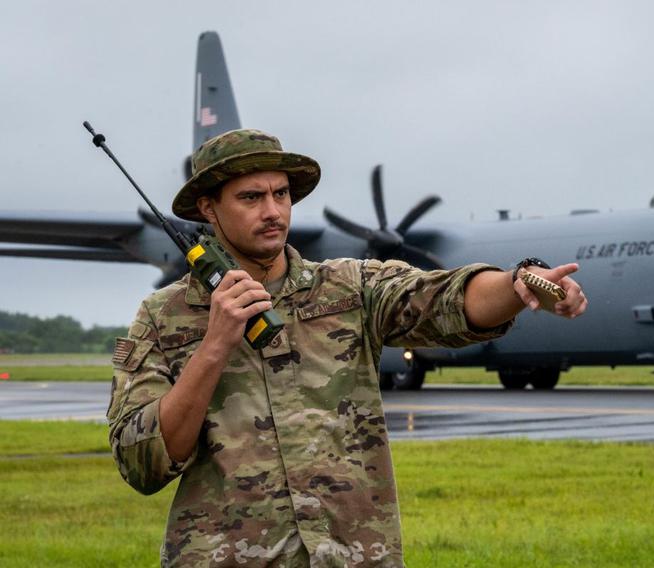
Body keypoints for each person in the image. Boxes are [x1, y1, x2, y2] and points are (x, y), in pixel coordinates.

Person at [108, 128, 587, 567]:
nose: (273, 211)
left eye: (281, 194)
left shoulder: (350, 288)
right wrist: (213, 347)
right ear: (209, 209)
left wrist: (520, 283)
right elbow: (141, 463)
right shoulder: (161, 317)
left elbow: (445, 299)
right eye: (251, 197)